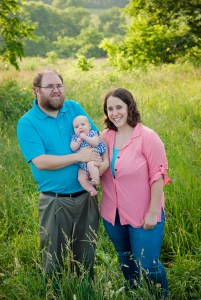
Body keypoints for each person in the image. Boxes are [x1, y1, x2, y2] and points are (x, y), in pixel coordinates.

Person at [17, 69, 107, 281]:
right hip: (55, 201)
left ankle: (84, 291)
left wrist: (100, 168)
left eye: (59, 85)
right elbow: (41, 161)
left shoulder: (73, 108)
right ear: (36, 90)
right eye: (50, 86)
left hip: (86, 197)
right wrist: (77, 157)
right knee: (53, 259)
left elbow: (96, 139)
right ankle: (54, 293)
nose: (56, 90)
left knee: (86, 257)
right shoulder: (28, 122)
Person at [100, 88, 172, 299]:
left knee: (148, 265)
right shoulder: (105, 137)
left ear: (129, 107)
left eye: (119, 107)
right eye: (110, 108)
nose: (115, 113)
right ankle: (134, 294)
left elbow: (157, 177)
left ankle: (160, 296)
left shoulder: (148, 137)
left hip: (143, 214)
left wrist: (153, 213)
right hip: (112, 214)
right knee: (125, 258)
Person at [70, 115, 106, 196]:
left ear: (89, 126)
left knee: (91, 165)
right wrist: (78, 142)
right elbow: (73, 148)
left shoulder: (92, 133)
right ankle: (91, 189)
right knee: (81, 177)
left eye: (83, 125)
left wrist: (86, 137)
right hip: (82, 165)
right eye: (76, 127)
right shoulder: (75, 137)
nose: (80, 127)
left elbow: (95, 142)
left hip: (93, 159)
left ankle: (95, 179)